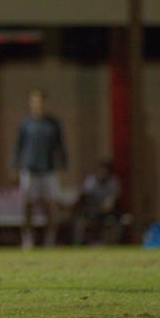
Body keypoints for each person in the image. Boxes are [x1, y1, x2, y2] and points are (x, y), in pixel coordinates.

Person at [12, 88, 68, 250]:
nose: (38, 105)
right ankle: (27, 238)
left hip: (49, 169)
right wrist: (15, 166)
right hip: (29, 169)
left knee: (51, 206)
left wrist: (63, 167)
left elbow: (61, 147)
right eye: (35, 102)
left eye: (40, 102)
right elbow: (18, 146)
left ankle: (50, 239)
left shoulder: (53, 124)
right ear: (31, 104)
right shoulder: (26, 124)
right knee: (28, 205)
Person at [72, 160, 122, 246]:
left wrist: (104, 206)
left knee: (105, 216)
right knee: (87, 217)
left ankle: (100, 241)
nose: (102, 173)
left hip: (107, 212)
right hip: (91, 210)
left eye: (105, 171)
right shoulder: (91, 181)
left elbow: (111, 202)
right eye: (101, 171)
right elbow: (84, 196)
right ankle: (87, 242)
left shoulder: (113, 182)